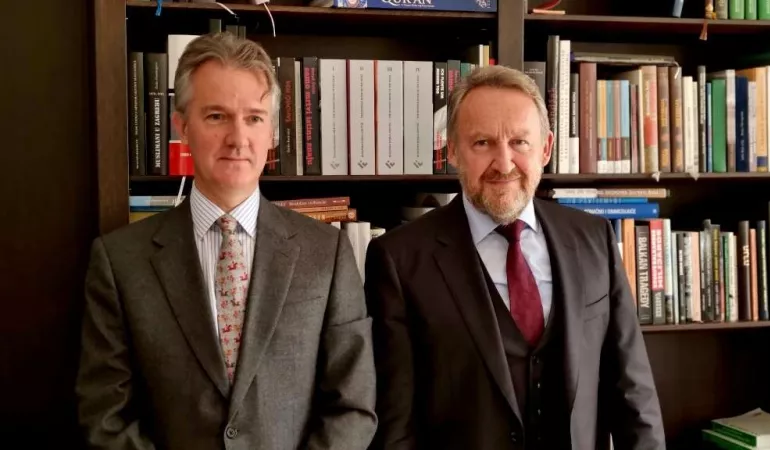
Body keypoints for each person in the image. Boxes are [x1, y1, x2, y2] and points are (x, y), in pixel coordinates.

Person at [76, 32, 377, 450]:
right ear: (182, 126)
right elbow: (105, 415)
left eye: (254, 118)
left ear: (272, 132)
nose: (238, 138)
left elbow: (353, 407)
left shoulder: (327, 252)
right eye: (217, 116)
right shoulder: (119, 261)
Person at [364, 65, 666, 450]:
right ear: (453, 150)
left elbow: (632, 395)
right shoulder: (398, 258)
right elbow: (396, 427)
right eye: (482, 143)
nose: (504, 164)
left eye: (520, 142)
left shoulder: (594, 238)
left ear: (546, 148)